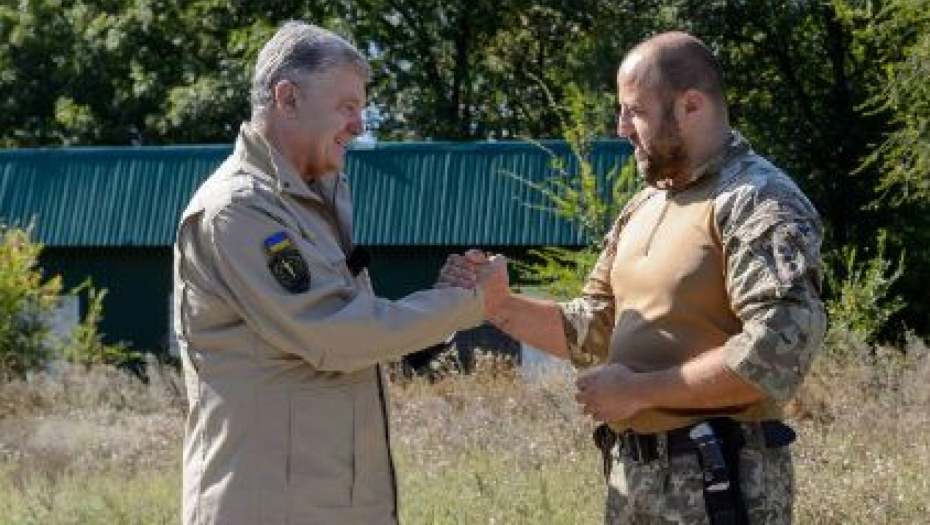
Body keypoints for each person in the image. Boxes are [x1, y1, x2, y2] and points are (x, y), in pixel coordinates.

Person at [441, 31, 826, 524]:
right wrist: (499, 305)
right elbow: (593, 328)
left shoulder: (758, 200)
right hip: (633, 485)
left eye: (635, 111)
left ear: (690, 106)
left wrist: (642, 391)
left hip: (720, 487)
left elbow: (777, 352)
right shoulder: (643, 205)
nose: (621, 127)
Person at [172, 21, 507, 525]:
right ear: (287, 98)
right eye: (347, 107)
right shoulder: (239, 210)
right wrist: (469, 303)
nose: (359, 125)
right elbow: (337, 334)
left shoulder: (308, 201)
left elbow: (354, 331)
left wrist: (442, 303)